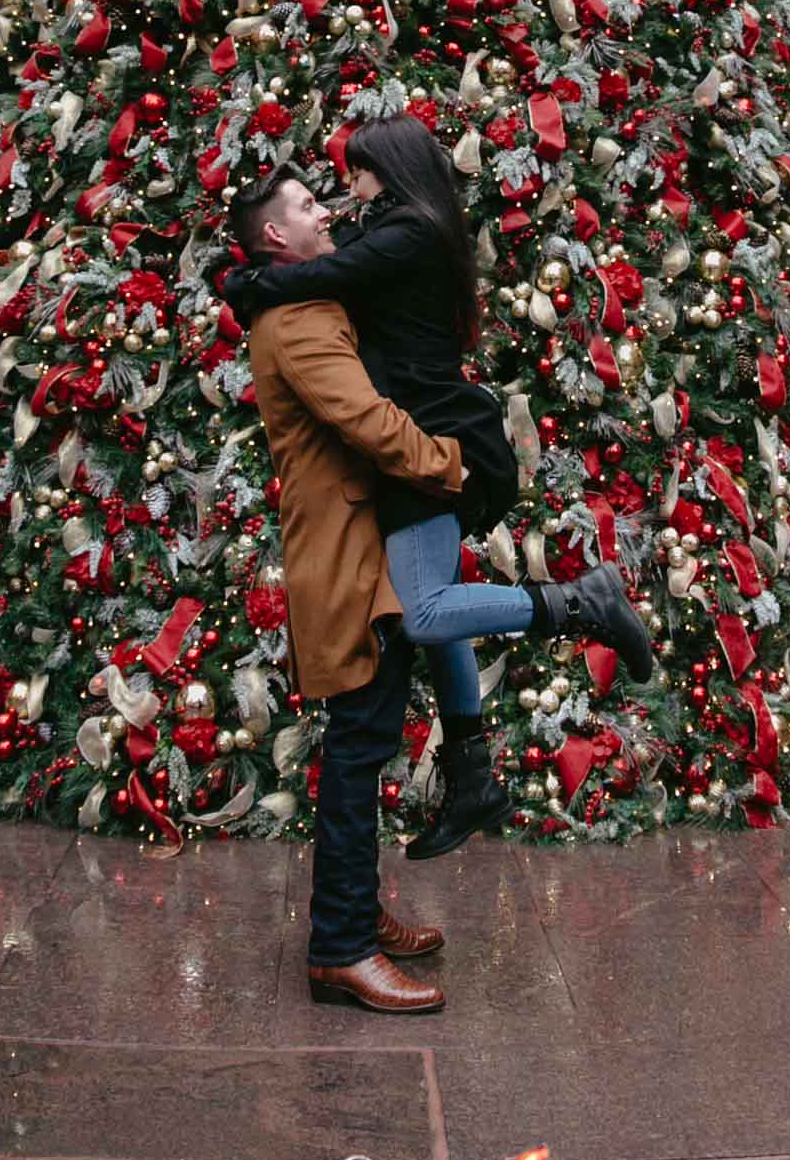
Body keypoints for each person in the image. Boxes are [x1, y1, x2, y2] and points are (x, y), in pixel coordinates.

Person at [226, 115, 654, 866]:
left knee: (422, 611)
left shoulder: (409, 231)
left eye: (355, 172)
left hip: (438, 437)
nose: (342, 193)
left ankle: (583, 602)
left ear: (387, 170)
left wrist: (243, 281)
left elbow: (321, 274)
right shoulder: (391, 225)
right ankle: (472, 774)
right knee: (423, 595)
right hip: (420, 441)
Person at [227, 160, 465, 1015]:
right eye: (304, 207)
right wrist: (448, 461)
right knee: (357, 750)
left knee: (364, 740)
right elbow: (365, 420)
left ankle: (356, 913)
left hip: (360, 549)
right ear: (275, 239)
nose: (323, 212)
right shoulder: (293, 319)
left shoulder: (305, 302)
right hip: (344, 559)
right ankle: (340, 947)